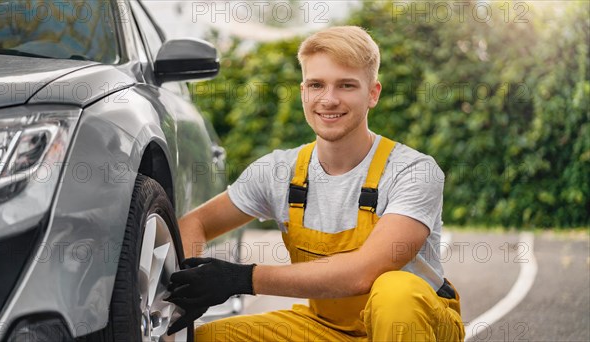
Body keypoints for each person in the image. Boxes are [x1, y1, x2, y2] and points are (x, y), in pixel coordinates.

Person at [166, 26, 465, 341]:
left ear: (373, 93)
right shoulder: (278, 171)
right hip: (327, 328)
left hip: (419, 327)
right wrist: (188, 287)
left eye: (347, 85)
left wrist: (241, 278)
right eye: (316, 85)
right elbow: (195, 222)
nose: (329, 99)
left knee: (396, 291)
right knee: (208, 339)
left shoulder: (413, 170)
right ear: (303, 92)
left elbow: (365, 272)